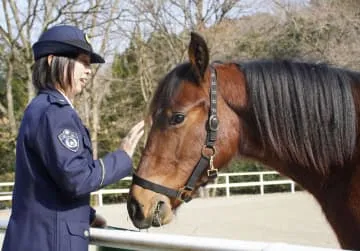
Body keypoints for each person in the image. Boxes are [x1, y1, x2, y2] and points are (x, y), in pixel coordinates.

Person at [2, 25, 144, 251]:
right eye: (83, 61)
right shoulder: (56, 113)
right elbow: (76, 178)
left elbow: (46, 183)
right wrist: (122, 156)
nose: (89, 70)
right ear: (52, 60)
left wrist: (84, 216)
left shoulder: (38, 108)